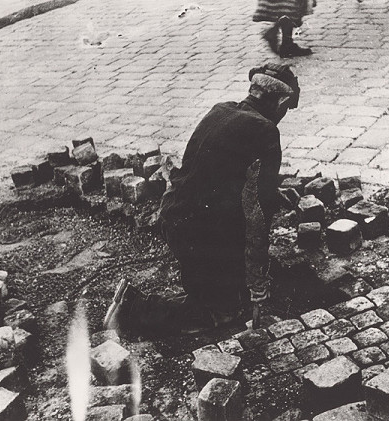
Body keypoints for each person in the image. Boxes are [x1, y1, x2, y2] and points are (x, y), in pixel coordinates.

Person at [103, 64, 300, 336]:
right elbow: (257, 216)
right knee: (222, 312)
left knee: (227, 287)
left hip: (176, 217)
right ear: (281, 102)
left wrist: (272, 191)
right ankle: (131, 309)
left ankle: (207, 285)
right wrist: (258, 283)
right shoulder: (266, 131)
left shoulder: (222, 109)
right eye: (287, 109)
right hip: (201, 236)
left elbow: (216, 172)